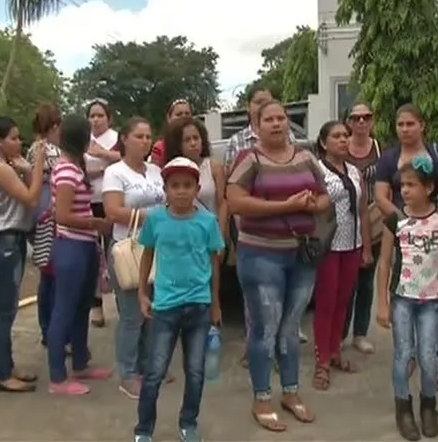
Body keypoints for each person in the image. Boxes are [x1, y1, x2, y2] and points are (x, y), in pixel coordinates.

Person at [226, 100, 330, 432]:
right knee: (265, 329)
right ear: (256, 126)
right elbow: (235, 201)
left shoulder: (305, 156)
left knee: (290, 328)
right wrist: (286, 205)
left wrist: (314, 203)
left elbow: (327, 195)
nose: (276, 123)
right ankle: (261, 397)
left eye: (281, 118)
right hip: (261, 255)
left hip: (301, 255)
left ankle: (290, 392)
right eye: (268, 119)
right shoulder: (250, 159)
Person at [134, 157, 224, 442]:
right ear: (166, 189)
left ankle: (188, 423)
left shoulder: (208, 222)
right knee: (154, 372)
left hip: (198, 307)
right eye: (175, 186)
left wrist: (215, 303)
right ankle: (143, 429)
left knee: (195, 372)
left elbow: (214, 262)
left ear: (198, 188)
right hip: (165, 308)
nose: (182, 191)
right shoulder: (156, 219)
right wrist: (142, 293)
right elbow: (147, 254)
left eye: (187, 185)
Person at [375, 103, 438, 390]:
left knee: (436, 299)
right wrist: (400, 220)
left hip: (433, 232)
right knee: (403, 292)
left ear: (422, 125)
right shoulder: (389, 158)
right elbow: (381, 195)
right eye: (400, 124)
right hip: (402, 232)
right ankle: (410, 355)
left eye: (410, 123)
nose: (404, 129)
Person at [375, 155, 438, 441]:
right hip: (403, 299)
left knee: (428, 357)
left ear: (429, 187)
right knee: (403, 354)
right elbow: (385, 263)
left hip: (433, 301)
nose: (404, 190)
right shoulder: (395, 220)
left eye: (411, 185)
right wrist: (382, 303)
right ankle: (403, 407)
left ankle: (429, 406)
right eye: (402, 185)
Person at [47, 114, 113, 395]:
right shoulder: (65, 170)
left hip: (84, 245)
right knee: (64, 308)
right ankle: (57, 377)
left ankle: (81, 363)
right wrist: (94, 224)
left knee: (82, 306)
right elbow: (61, 215)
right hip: (71, 245)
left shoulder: (76, 167)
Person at [0, 117, 46, 392]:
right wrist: (39, 163)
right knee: (5, 310)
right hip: (4, 241)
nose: (20, 142)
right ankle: (3, 374)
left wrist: (28, 168)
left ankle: (7, 366)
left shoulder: (7, 166)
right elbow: (32, 198)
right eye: (14, 138)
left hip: (12, 239)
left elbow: (30, 190)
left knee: (8, 308)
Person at [102, 118, 165, 400]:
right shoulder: (115, 172)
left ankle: (146, 366)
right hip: (128, 248)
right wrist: (153, 218)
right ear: (124, 139)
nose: (145, 140)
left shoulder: (155, 170)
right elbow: (113, 212)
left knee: (152, 312)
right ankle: (127, 374)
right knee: (131, 314)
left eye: (149, 135)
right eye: (139, 135)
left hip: (156, 248)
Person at [312, 121, 371, 390]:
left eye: (345, 135)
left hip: (353, 244)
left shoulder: (355, 172)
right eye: (336, 136)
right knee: (326, 303)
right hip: (329, 245)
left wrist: (366, 247)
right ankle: (321, 360)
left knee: (343, 301)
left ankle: (335, 351)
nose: (343, 140)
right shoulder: (316, 170)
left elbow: (363, 211)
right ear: (324, 143)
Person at [342, 102, 382, 353]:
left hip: (374, 219)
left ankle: (360, 333)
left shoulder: (378, 147)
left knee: (367, 279)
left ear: (372, 121)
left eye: (366, 117)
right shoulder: (340, 147)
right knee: (347, 282)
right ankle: (340, 333)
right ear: (348, 122)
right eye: (355, 118)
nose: (361, 122)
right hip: (345, 220)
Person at [26, 103, 63, 349]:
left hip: (40, 211)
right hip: (50, 213)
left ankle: (47, 328)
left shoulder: (33, 149)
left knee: (47, 275)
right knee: (52, 275)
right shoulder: (49, 151)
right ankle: (51, 329)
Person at [85, 98, 121, 327]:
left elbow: (124, 159)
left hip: (111, 200)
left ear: (109, 118)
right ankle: (95, 305)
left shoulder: (117, 138)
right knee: (91, 253)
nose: (96, 120)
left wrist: (102, 154)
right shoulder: (82, 139)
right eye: (92, 116)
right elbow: (76, 165)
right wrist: (99, 168)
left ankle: (120, 296)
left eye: (100, 115)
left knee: (113, 251)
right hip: (87, 201)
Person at [162, 117, 228, 236]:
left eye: (196, 138)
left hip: (210, 232)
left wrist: (221, 234)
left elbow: (222, 203)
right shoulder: (170, 170)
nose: (193, 143)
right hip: (181, 233)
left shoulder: (214, 166)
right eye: (187, 140)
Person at [150, 99, 192, 166]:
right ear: (169, 118)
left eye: (187, 114)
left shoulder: (196, 142)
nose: (184, 117)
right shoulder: (159, 147)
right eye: (179, 114)